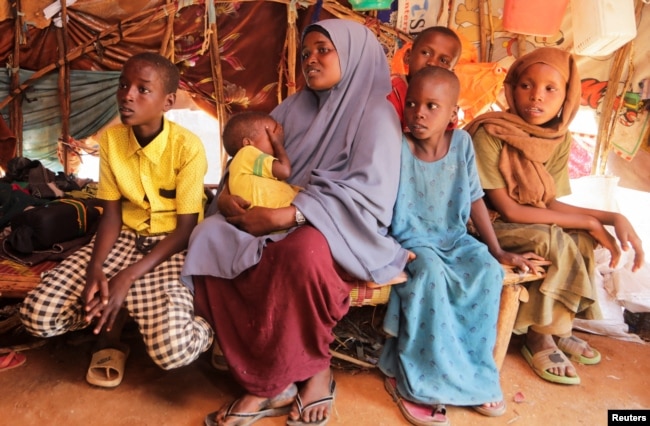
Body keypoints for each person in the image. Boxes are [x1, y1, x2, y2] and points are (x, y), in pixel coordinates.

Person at [181, 19, 408, 426]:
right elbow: (252, 163)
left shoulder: (376, 114)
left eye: (324, 49)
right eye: (306, 54)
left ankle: (311, 373)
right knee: (209, 234)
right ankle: (277, 381)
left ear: (353, 53)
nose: (311, 60)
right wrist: (233, 201)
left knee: (301, 252)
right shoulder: (292, 107)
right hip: (276, 214)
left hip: (338, 226)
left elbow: (371, 195)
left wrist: (292, 214)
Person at [19, 52, 214, 388]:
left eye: (142, 89)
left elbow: (185, 231)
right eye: (124, 85)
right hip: (123, 237)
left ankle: (212, 330)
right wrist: (97, 268)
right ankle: (113, 319)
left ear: (168, 102)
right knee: (37, 315)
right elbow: (110, 214)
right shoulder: (111, 140)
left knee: (172, 352)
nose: (127, 94)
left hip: (169, 247)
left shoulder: (188, 147)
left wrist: (125, 277)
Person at [466, 47, 645, 385]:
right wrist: (593, 220)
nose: (536, 97)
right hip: (483, 224)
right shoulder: (490, 132)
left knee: (579, 239)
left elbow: (547, 202)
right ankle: (542, 336)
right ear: (511, 88)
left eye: (551, 89)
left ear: (567, 96)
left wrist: (610, 217)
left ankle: (555, 326)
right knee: (551, 239)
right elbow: (508, 209)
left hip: (523, 218)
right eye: (526, 86)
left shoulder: (558, 139)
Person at [379, 66, 541, 426]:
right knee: (430, 275)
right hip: (412, 241)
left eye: (432, 106)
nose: (419, 112)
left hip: (454, 238)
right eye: (413, 104)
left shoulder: (463, 144)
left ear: (454, 115)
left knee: (484, 271)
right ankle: (421, 384)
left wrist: (496, 250)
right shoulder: (397, 146)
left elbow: (475, 198)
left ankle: (473, 379)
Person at [387, 26, 463, 131]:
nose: (432, 63)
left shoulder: (446, 105)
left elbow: (448, 140)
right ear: (408, 56)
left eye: (443, 61)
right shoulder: (391, 90)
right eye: (425, 53)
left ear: (450, 73)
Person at [222, 111, 299, 210]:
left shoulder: (240, 165)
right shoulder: (247, 152)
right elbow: (284, 171)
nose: (279, 138)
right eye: (271, 135)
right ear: (247, 143)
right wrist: (277, 143)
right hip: (273, 211)